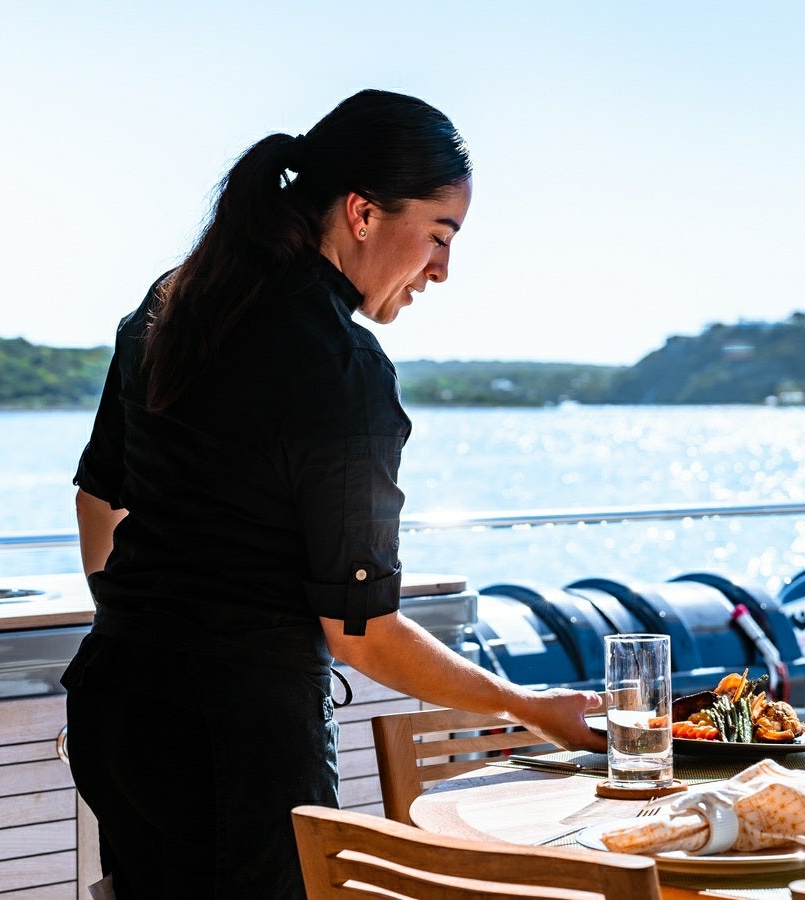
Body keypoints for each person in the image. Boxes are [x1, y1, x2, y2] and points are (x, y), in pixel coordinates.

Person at [63, 89, 605, 899]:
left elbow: (98, 500)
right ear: (361, 213)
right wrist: (527, 705)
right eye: (438, 235)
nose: (443, 270)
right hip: (236, 746)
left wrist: (146, 625)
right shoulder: (341, 370)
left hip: (117, 705)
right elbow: (364, 635)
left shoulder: (177, 301)